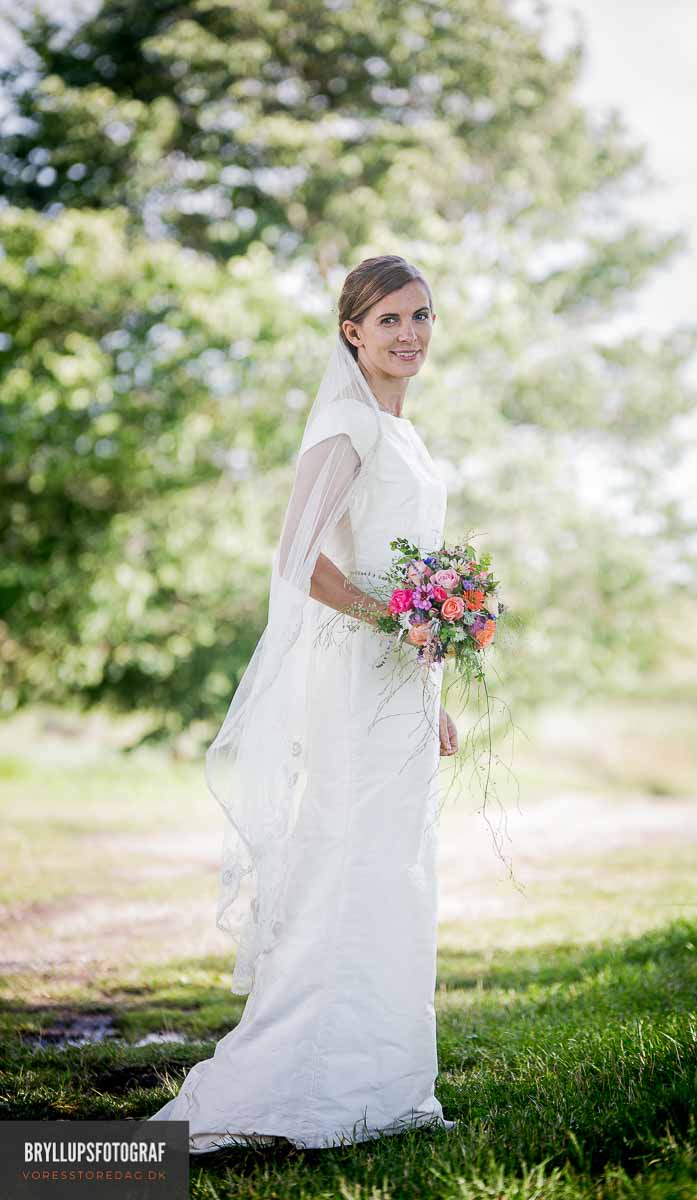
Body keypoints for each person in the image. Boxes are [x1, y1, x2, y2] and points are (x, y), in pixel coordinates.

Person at [147, 255, 458, 1150]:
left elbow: (405, 569)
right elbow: (299, 559)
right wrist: (395, 623)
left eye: (421, 317)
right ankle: (301, 1083)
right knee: (348, 859)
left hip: (400, 682)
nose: (410, 335)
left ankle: (384, 1082)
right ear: (351, 331)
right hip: (354, 677)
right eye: (389, 319)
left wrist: (429, 677)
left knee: (398, 866)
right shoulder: (345, 423)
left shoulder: (406, 434)